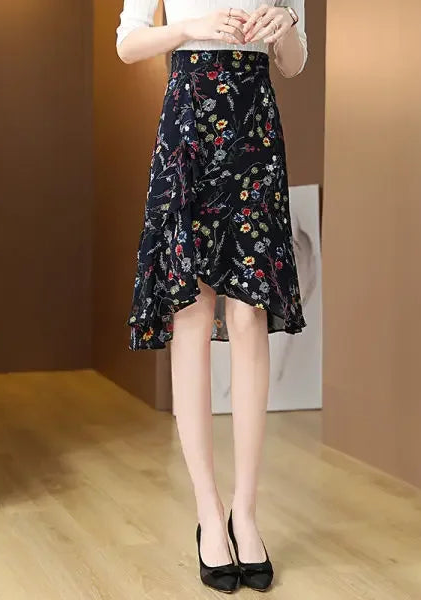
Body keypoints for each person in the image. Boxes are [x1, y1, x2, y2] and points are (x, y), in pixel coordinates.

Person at [116, 1, 307, 592]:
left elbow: (294, 63)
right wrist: (188, 29)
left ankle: (245, 512)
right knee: (192, 316)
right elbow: (128, 43)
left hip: (255, 127)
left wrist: (287, 28)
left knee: (250, 317)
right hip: (189, 123)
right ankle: (208, 509)